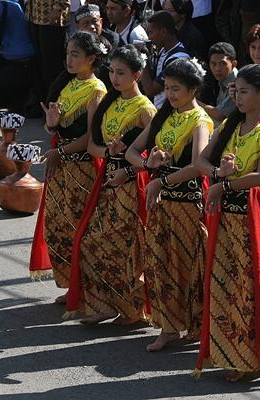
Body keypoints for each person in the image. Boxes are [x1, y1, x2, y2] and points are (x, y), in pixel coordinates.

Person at [194, 64, 260, 382]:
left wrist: (223, 185)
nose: (238, 97)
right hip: (225, 218)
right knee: (223, 286)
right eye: (235, 91)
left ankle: (251, 357)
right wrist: (217, 174)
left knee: (249, 289)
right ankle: (229, 352)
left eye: (244, 92)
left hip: (250, 219)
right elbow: (201, 159)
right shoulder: (229, 124)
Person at [64, 45, 157, 324]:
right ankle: (104, 305)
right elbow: (93, 146)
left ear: (137, 75)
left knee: (126, 246)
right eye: (112, 72)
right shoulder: (110, 103)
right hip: (107, 182)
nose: (114, 79)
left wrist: (126, 169)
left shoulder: (146, 110)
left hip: (131, 184)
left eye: (121, 73)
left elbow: (153, 157)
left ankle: (131, 310)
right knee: (93, 242)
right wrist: (110, 153)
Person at [126, 58, 213, 351]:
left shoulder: (200, 121)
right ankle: (169, 327)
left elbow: (199, 166)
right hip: (161, 204)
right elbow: (132, 152)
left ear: (193, 89)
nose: (171, 94)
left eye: (177, 89)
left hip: (187, 205)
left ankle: (194, 324)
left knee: (186, 267)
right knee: (160, 265)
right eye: (167, 88)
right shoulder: (165, 116)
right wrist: (147, 163)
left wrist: (160, 181)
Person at [28, 32, 108, 300]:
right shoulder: (67, 84)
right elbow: (54, 126)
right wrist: (51, 123)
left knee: (79, 228)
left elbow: (90, 137)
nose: (69, 59)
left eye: (75, 54)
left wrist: (59, 151)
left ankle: (85, 288)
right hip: (60, 166)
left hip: (82, 169)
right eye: (68, 53)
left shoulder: (97, 91)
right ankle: (72, 283)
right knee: (56, 226)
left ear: (91, 58)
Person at [140, 11, 190, 108]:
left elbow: (150, 90)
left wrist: (143, 61)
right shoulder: (163, 50)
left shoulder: (178, 59)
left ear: (163, 32)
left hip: (170, 114)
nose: (149, 37)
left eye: (151, 33)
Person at [27, 0, 70, 105]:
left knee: (52, 66)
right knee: (40, 64)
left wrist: (58, 7)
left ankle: (54, 105)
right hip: (35, 14)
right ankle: (43, 105)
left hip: (51, 17)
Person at [199, 42, 238, 124]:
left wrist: (192, 100)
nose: (217, 69)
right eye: (213, 64)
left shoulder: (237, 83)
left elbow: (219, 115)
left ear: (233, 64)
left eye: (222, 64)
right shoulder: (224, 80)